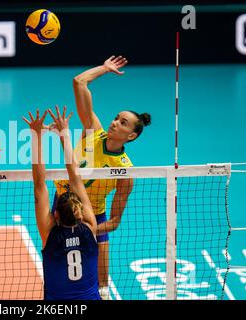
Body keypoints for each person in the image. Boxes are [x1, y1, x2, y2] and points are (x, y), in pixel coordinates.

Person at [53, 56, 151, 299]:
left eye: (123, 123)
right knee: (57, 270)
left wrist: (87, 229)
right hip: (62, 205)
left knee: (102, 285)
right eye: (117, 118)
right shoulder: (92, 131)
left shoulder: (125, 171)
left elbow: (116, 220)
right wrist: (105, 69)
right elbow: (79, 82)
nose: (115, 122)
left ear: (131, 136)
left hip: (93, 215)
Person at [23, 106, 101, 300]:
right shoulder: (90, 227)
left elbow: (40, 186)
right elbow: (75, 176)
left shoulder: (50, 235)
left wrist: (36, 135)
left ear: (55, 215)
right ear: (81, 213)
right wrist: (64, 133)